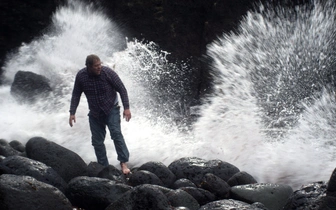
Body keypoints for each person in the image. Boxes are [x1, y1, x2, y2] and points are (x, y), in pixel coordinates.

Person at [69, 54, 131, 175]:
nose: (99, 68)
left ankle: (123, 163)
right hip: (95, 113)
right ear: (88, 66)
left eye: (100, 65)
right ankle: (104, 167)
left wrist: (126, 108)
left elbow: (122, 89)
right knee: (97, 141)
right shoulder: (81, 76)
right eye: (96, 66)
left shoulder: (108, 73)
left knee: (116, 134)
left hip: (111, 109)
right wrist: (72, 112)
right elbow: (76, 94)